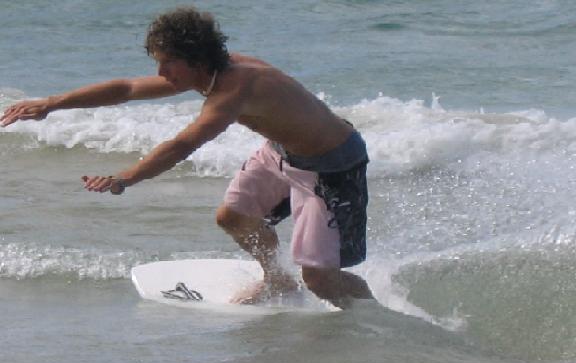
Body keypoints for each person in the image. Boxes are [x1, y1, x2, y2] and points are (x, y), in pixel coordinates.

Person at [0, 7, 373, 309]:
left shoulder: (234, 90)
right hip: (281, 151)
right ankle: (277, 281)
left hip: (330, 167)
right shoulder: (208, 73)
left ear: (195, 59)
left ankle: (374, 315)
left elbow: (182, 146)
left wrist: (125, 179)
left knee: (321, 280)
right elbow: (126, 89)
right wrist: (51, 104)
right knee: (234, 217)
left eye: (167, 64)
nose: (160, 74)